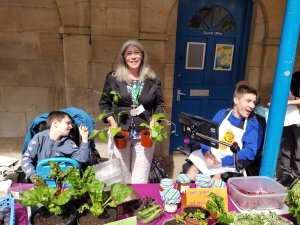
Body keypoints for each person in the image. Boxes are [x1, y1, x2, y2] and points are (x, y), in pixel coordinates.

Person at [99, 39, 164, 184]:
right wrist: (112, 122)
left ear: (142, 55)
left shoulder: (153, 79)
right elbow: (104, 104)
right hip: (120, 132)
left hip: (144, 134)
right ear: (123, 57)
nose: (133, 57)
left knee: (140, 178)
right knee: (119, 176)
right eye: (129, 53)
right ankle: (121, 205)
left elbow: (159, 105)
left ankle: (138, 205)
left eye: (136, 53)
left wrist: (154, 123)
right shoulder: (113, 78)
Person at [186, 81, 263, 180]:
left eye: (253, 102)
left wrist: (224, 161)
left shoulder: (251, 124)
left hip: (229, 163)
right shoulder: (222, 114)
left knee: (214, 182)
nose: (252, 106)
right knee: (190, 174)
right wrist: (206, 152)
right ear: (236, 100)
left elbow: (250, 152)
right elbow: (207, 136)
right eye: (248, 101)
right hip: (211, 156)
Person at [21, 111, 91, 180]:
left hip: (63, 181)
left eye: (71, 124)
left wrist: (84, 138)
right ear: (55, 123)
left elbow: (82, 159)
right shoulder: (39, 138)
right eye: (68, 123)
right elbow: (26, 159)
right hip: (41, 180)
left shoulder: (69, 143)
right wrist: (34, 176)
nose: (71, 127)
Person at [277, 71, 300, 187]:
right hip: (290, 115)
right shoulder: (296, 75)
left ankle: (296, 176)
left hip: (295, 114)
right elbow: (289, 93)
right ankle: (285, 172)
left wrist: (290, 101)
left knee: (298, 148)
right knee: (286, 145)